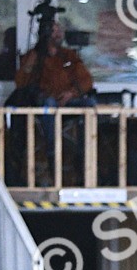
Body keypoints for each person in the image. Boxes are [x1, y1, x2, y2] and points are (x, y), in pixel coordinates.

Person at [15, 22, 96, 179]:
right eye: (54, 30)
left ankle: (84, 153)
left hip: (69, 101)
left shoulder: (69, 55)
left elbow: (87, 80)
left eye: (60, 30)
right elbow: (20, 83)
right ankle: (52, 154)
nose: (58, 34)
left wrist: (71, 93)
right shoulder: (35, 56)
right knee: (49, 104)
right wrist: (33, 57)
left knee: (90, 104)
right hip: (45, 104)